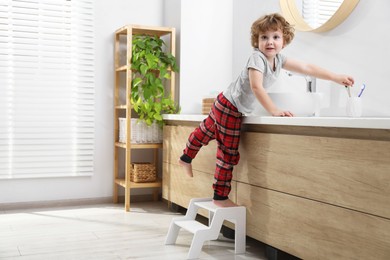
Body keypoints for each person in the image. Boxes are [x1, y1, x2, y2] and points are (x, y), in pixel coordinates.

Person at [178, 13, 354, 207]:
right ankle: (220, 197)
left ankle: (186, 157)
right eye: (264, 37)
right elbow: (256, 87)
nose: (270, 42)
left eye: (275, 37)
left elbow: (306, 67)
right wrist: (274, 110)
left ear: (284, 41)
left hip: (226, 103)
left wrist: (335, 77)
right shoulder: (257, 59)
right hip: (230, 107)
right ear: (257, 41)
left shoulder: (279, 60)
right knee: (228, 153)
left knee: (205, 132)